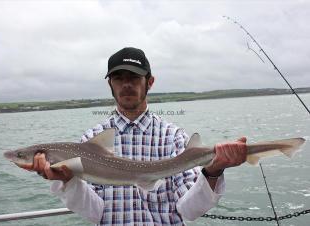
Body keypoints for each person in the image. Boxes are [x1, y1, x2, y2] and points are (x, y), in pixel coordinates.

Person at [32, 47, 247, 225]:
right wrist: (68, 181)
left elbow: (189, 210)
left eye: (134, 78)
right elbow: (96, 212)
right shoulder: (92, 140)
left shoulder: (173, 138)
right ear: (110, 84)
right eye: (118, 78)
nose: (126, 84)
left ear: (149, 82)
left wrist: (213, 171)